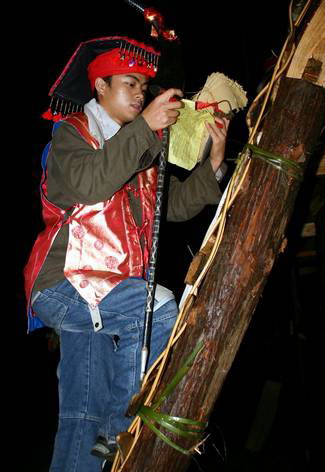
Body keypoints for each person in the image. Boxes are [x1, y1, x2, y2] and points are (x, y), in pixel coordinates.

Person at [24, 36, 229, 472]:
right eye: (130, 84)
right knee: (157, 307)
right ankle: (123, 429)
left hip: (105, 295)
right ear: (100, 86)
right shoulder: (72, 135)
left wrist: (212, 162)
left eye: (143, 87)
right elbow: (88, 184)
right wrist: (144, 130)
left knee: (83, 417)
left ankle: (98, 442)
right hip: (65, 284)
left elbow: (169, 207)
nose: (140, 94)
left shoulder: (138, 151)